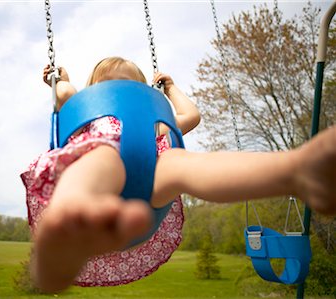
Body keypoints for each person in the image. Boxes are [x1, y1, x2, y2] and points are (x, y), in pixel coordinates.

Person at [21, 57, 336, 293]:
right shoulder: (91, 117)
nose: (122, 93)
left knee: (178, 161)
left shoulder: (155, 129)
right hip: (97, 180)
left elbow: (191, 116)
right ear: (95, 92)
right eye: (111, 85)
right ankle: (67, 231)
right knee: (103, 156)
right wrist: (59, 78)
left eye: (133, 87)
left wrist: (170, 89)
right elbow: (65, 93)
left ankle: (293, 172)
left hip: (148, 191)